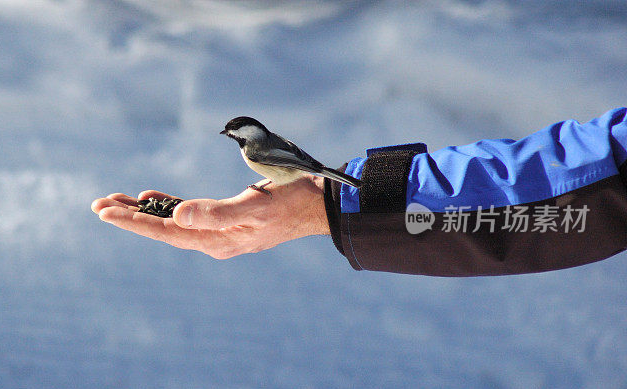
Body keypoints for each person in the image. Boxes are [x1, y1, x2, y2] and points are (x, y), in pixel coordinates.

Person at [92, 107, 627, 276]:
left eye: (237, 135)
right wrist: (326, 200)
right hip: (325, 182)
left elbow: (288, 163)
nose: (236, 141)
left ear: (245, 138)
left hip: (309, 177)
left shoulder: (257, 152)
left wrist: (313, 196)